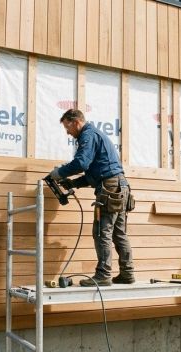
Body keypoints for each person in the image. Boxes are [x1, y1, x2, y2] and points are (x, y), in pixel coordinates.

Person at [48, 109, 134, 287]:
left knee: (102, 232)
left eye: (67, 127)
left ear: (76, 122)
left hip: (110, 188)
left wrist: (58, 173)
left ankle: (103, 275)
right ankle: (127, 273)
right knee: (119, 233)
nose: (67, 132)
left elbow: (81, 163)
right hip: (120, 186)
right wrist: (73, 184)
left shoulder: (88, 135)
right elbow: (95, 172)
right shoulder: (95, 135)